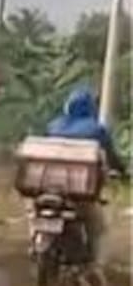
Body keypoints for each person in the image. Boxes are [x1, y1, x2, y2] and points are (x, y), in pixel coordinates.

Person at [43, 87, 128, 264]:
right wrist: (123, 172)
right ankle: (95, 265)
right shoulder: (97, 130)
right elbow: (112, 157)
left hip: (46, 188)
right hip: (80, 193)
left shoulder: (53, 126)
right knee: (98, 229)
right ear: (90, 107)